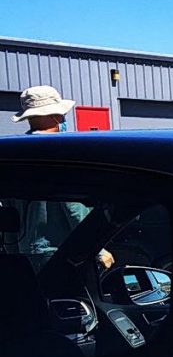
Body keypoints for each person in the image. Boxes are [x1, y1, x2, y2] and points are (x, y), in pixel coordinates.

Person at [10, 86, 114, 270]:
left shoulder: (16, 153)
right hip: (59, 254)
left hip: (21, 252)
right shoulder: (60, 154)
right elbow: (74, 208)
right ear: (55, 116)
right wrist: (99, 250)